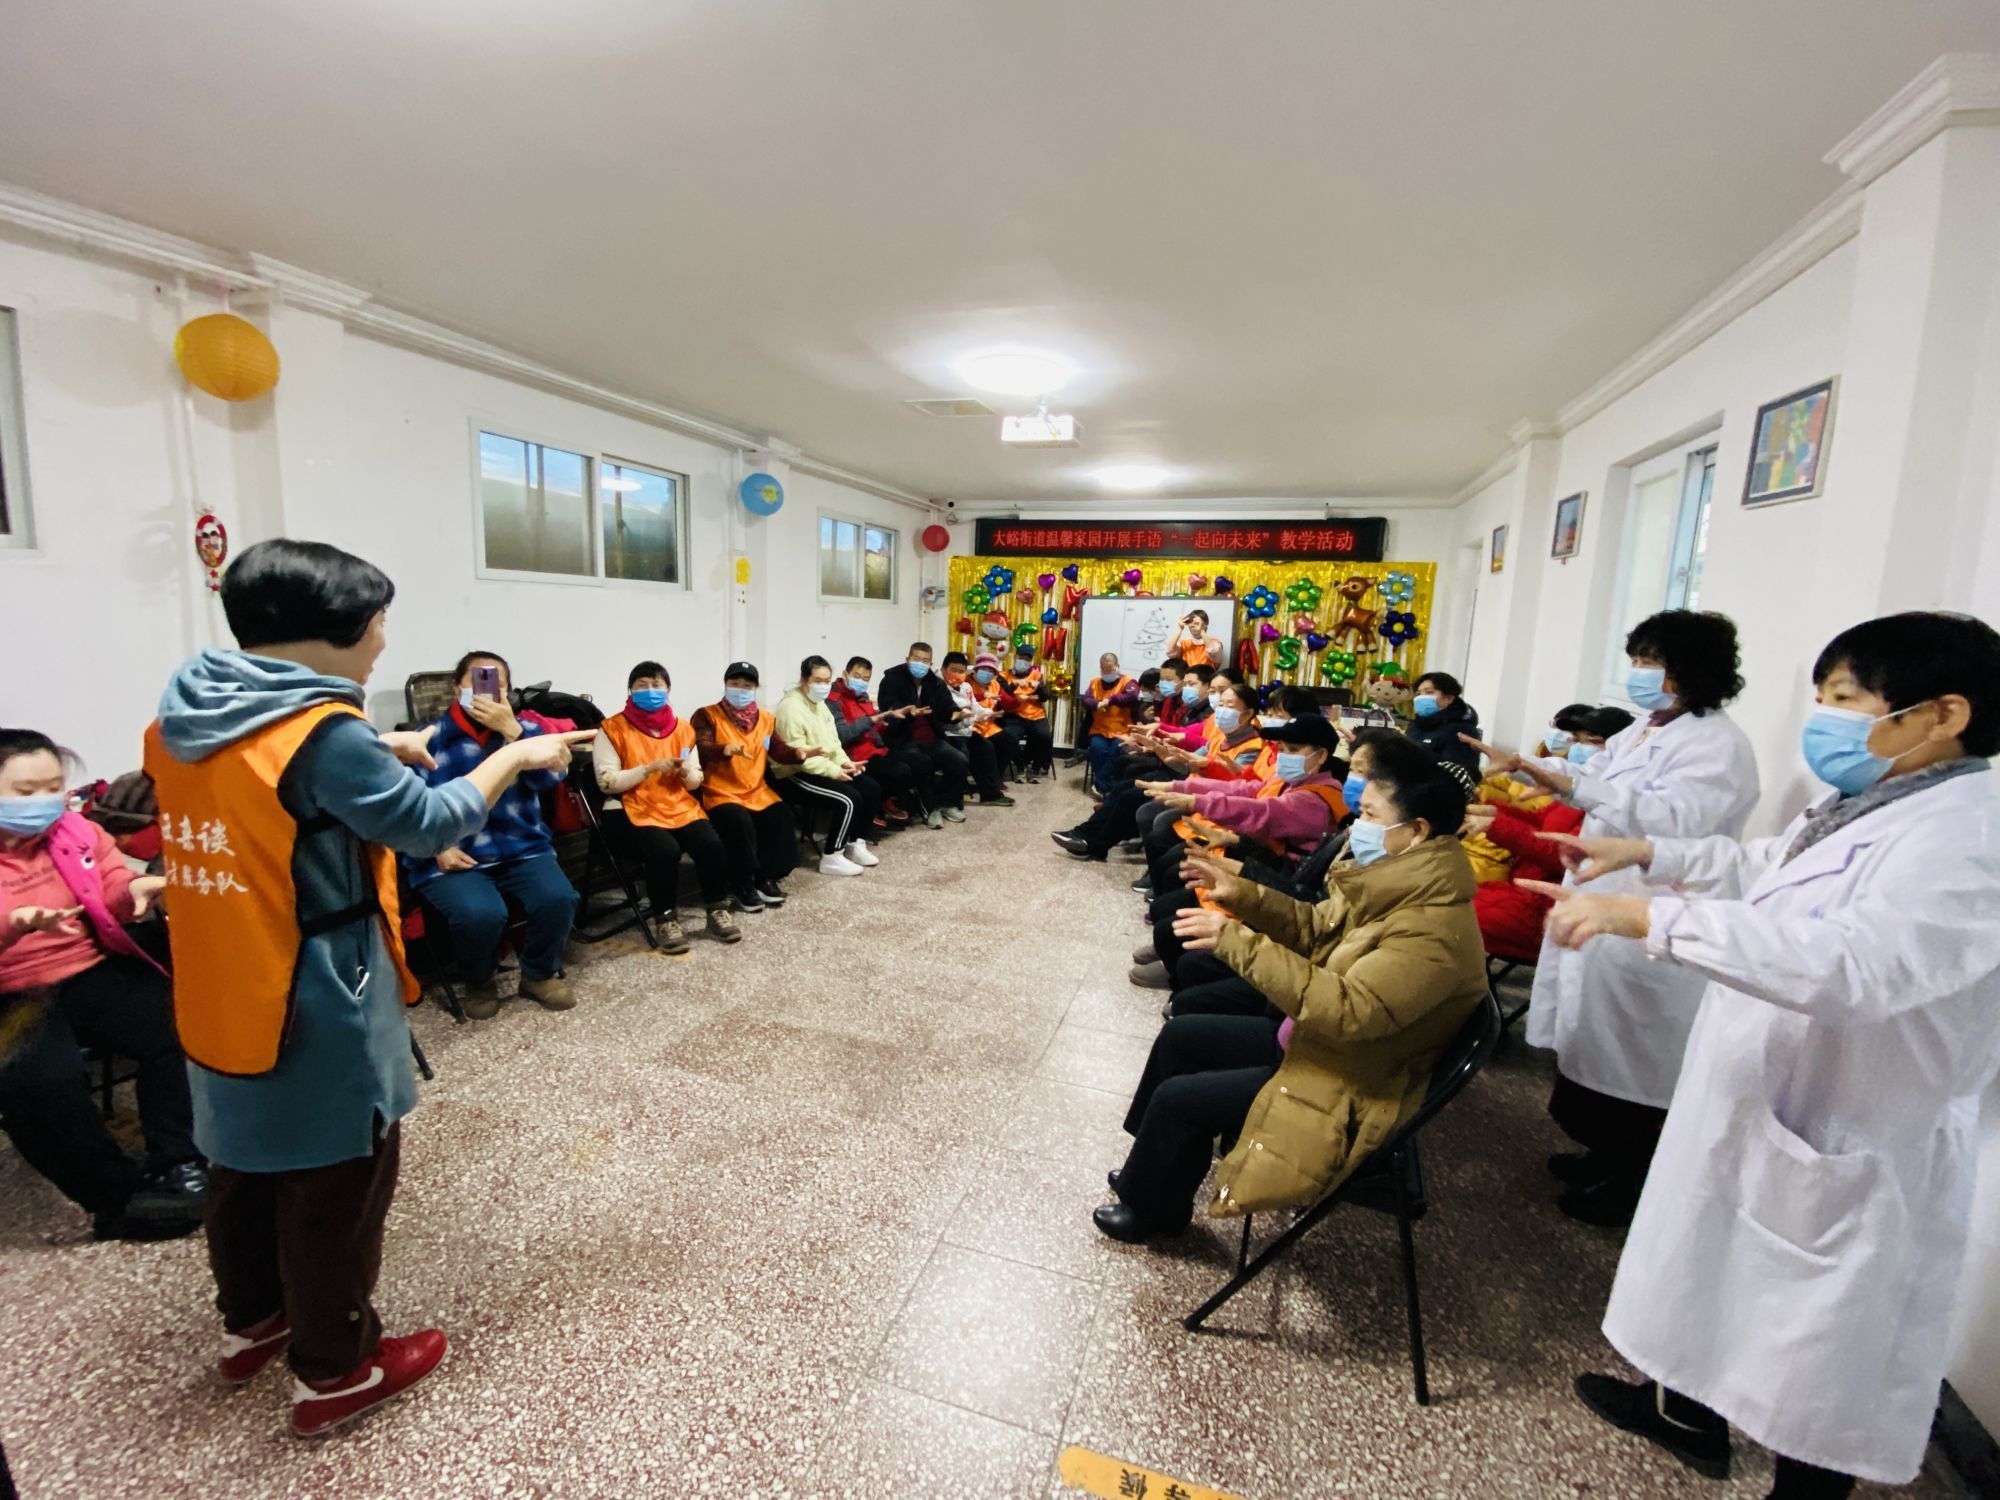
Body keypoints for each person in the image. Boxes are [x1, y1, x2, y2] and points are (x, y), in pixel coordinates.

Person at [1524, 612, 2000, 1500]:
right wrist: (1648, 853)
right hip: (1772, 1090)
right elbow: (1765, 864)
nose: (1825, 718)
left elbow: (1858, 966)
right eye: (1821, 697)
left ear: (1944, 715)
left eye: (1847, 699)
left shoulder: (1968, 837)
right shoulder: (1872, 802)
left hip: (1854, 1124)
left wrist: (1653, 915)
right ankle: (1682, 1409)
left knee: (1821, 1355)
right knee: (1722, 1289)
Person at [145, 538, 591, 1437]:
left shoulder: (187, 716)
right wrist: (512, 761)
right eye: (377, 620)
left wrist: (375, 750)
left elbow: (269, 796)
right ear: (333, 631)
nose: (385, 640)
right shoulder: (322, 736)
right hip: (311, 983)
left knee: (243, 1156)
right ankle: (336, 1365)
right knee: (338, 1176)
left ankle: (253, 1319)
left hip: (221, 966)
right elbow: (428, 824)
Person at [1095, 744, 1485, 1241]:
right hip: (1315, 1043)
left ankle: (1154, 1211)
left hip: (1348, 1079)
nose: (1355, 824)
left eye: (1368, 814)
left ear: (1417, 832)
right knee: (1182, 1037)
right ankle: (1152, 1171)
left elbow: (1349, 1012)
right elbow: (1319, 928)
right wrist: (1243, 896)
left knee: (1178, 1098)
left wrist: (1234, 939)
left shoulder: (1430, 929)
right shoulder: (1401, 886)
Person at [1462, 610, 1759, 1226]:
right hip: (1600, 894)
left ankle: (1635, 1176)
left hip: (1653, 907)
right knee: (1595, 1037)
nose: (1638, 675)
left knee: (1639, 1053)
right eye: (1637, 660)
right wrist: (1527, 766)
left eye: (1650, 663)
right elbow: (1591, 777)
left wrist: (1579, 789)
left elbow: (1672, 821)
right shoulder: (1647, 729)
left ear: (1688, 670)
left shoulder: (1718, 745)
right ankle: (1602, 1150)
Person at [0, 728, 204, 1242]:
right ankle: (117, 1199)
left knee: (176, 1024)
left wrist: (136, 888)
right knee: (40, 1083)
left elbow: (111, 880)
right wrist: (17, 922)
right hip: (12, 993)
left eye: (52, 787)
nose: (44, 802)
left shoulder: (74, 830)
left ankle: (179, 1163)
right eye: (24, 793)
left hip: (88, 968)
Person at [1139, 728, 1404, 1010]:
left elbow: (1263, 814)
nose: (1283, 755)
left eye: (1292, 749)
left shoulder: (1318, 802)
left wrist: (1240, 865)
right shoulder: (1331, 812)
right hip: (1273, 880)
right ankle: (1177, 977)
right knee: (1171, 882)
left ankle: (1180, 985)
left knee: (1176, 916)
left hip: (1291, 920)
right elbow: (1247, 792)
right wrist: (1232, 843)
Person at [403, 651, 580, 1019]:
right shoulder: (427, 738)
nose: (489, 688)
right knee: (480, 914)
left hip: (521, 846)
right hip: (452, 854)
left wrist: (514, 734)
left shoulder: (526, 733)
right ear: (457, 687)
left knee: (559, 898)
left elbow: (550, 782)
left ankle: (538, 975)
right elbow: (410, 809)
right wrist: (437, 849)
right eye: (478, 679)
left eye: (498, 681)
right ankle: (478, 981)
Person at [592, 661, 741, 953]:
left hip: (674, 803)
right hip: (629, 806)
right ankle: (665, 918)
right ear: (630, 691)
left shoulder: (683, 729)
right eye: (642, 685)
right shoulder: (611, 728)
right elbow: (607, 783)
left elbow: (695, 781)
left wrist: (687, 774)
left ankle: (716, 910)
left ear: (668, 690)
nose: (650, 691)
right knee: (665, 850)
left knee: (710, 843)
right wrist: (648, 769)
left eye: (656, 685)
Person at [689, 662, 801, 909]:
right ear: (725, 684)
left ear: (755, 688)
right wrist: (724, 749)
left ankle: (765, 877)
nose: (740, 689)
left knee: (779, 814)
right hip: (719, 791)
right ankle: (742, 882)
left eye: (747, 685)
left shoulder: (766, 719)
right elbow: (700, 747)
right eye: (735, 684)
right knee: (738, 820)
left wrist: (799, 754)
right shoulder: (706, 715)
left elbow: (776, 750)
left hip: (755, 790)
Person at [771, 656, 884, 876]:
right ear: (804, 680)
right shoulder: (790, 707)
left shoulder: (820, 704)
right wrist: (834, 771)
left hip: (821, 766)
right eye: (818, 680)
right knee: (848, 799)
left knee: (870, 787)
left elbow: (833, 742)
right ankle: (832, 856)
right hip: (793, 772)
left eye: (827, 681)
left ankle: (856, 843)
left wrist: (845, 763)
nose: (823, 686)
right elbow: (799, 754)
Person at [875, 642, 969, 827]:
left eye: (925, 661)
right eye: (916, 659)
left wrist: (956, 714)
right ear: (907, 659)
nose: (920, 664)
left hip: (932, 738)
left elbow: (947, 708)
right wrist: (908, 712)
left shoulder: (935, 683)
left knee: (959, 759)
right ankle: (930, 808)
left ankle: (947, 803)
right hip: (903, 738)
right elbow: (888, 710)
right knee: (923, 764)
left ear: (930, 663)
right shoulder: (892, 679)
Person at [827, 657, 922, 830]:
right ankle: (876, 804)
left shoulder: (863, 697)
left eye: (866, 679)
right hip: (854, 755)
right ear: (845, 674)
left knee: (920, 763)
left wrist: (888, 717)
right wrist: (871, 720)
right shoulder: (833, 699)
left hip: (876, 749)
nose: (861, 682)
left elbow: (873, 724)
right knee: (901, 771)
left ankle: (884, 801)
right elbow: (842, 735)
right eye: (857, 676)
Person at [956, 652, 1016, 807]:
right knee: (984, 747)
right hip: (970, 726)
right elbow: (969, 700)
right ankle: (987, 784)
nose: (987, 673)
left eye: (991, 671)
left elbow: (1009, 702)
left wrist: (1018, 695)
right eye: (984, 669)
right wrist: (984, 694)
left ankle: (995, 779)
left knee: (1009, 742)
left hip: (988, 724)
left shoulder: (995, 684)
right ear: (975, 670)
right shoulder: (966, 682)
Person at [1080, 653, 1142, 794]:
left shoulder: (1128, 682)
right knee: (1097, 749)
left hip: (1123, 731)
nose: (1108, 673)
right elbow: (1086, 700)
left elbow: (1132, 696)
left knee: (1116, 750)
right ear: (1100, 668)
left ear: (1117, 667)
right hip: (1099, 730)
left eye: (1111, 669)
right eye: (1105, 670)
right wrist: (1097, 704)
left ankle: (1102, 785)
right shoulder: (1094, 682)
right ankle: (1106, 785)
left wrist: (1111, 699)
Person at [1407, 671, 1481, 776]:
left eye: (1429, 692)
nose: (1421, 698)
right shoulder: (1415, 726)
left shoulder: (1462, 731)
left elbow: (1458, 773)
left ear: (1449, 698)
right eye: (1418, 694)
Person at [998, 646, 1053, 782]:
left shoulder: (1037, 675)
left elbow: (1045, 697)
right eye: (1021, 658)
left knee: (1043, 735)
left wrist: (1039, 687)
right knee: (1009, 735)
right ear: (1015, 657)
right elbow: (1003, 695)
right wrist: (1015, 684)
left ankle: (1035, 768)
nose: (1024, 661)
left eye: (1027, 659)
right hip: (1014, 715)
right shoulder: (1004, 676)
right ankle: (1020, 766)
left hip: (1036, 715)